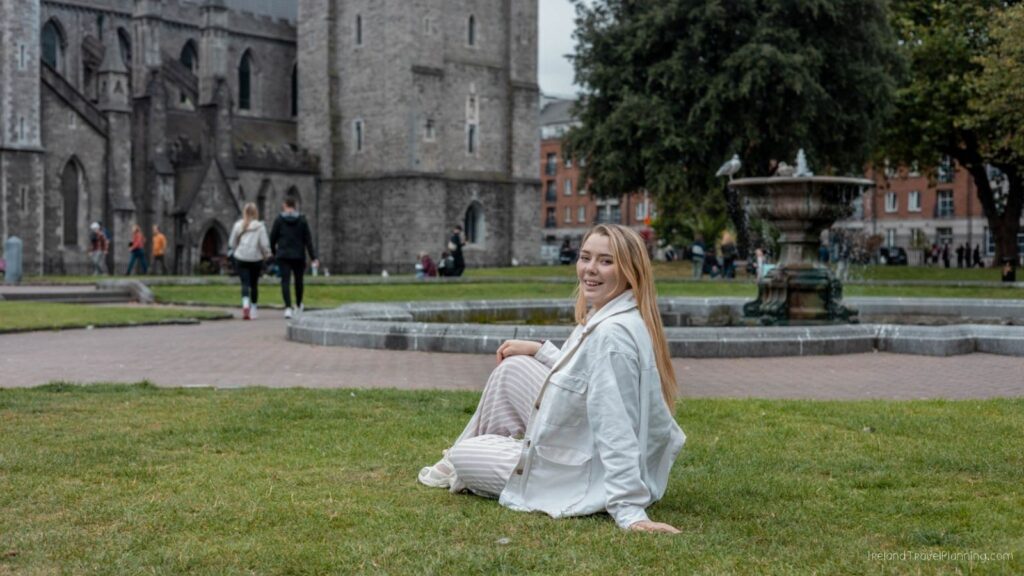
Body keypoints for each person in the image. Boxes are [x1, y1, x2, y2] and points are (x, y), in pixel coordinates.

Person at [417, 224, 686, 534]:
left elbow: (617, 424)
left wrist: (629, 510)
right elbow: (585, 379)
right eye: (585, 258)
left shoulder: (612, 336)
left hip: (582, 475)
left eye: (606, 261)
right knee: (513, 369)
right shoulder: (613, 315)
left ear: (630, 270)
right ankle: (494, 453)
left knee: (467, 454)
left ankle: (471, 457)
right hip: (580, 441)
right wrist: (541, 351)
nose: (590, 270)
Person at [270, 197, 318, 319]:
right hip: (298, 255)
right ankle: (298, 305)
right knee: (299, 281)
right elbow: (308, 240)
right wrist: (313, 257)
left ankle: (287, 308)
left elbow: (272, 238)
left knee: (285, 281)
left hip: (284, 255)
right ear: (295, 206)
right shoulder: (302, 220)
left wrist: (275, 252)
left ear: (285, 205)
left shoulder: (279, 220)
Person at [229, 203, 272, 320]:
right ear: (256, 213)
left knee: (244, 283)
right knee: (254, 284)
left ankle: (245, 305)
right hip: (256, 258)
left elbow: (231, 243)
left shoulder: (238, 225)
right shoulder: (260, 226)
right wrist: (267, 254)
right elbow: (264, 244)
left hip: (241, 257)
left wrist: (237, 250)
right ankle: (253, 309)